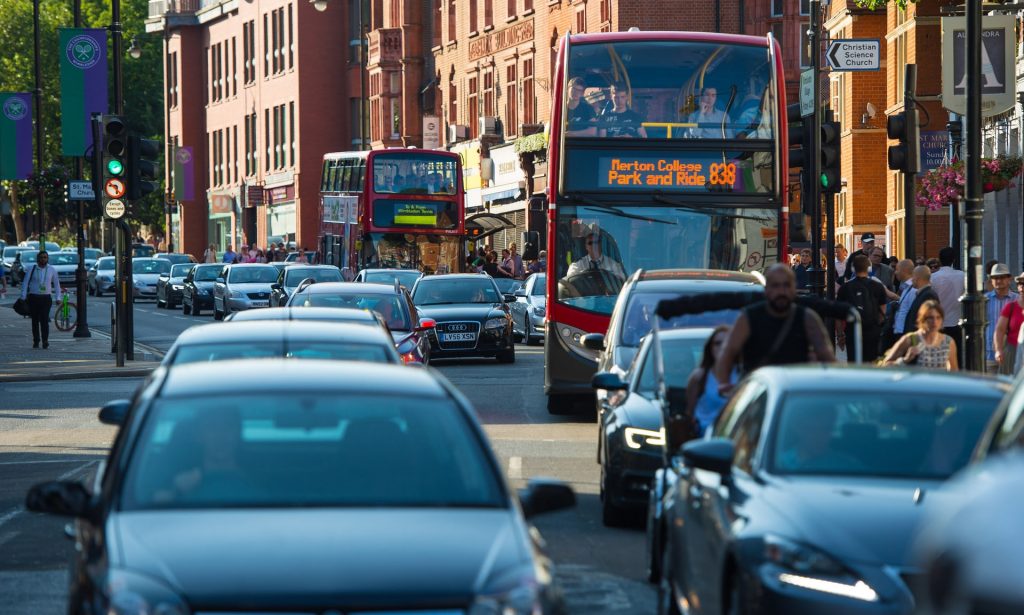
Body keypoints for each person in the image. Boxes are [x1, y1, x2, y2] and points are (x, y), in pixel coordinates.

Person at [714, 263, 835, 391]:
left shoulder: (807, 318)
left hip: (794, 392)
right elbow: (728, 352)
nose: (781, 292)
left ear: (794, 288)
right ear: (767, 289)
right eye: (775, 286)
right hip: (758, 392)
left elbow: (826, 356)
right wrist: (723, 383)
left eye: (786, 285)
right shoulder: (748, 318)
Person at [684, 326, 735, 438]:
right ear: (710, 348)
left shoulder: (742, 375)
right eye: (717, 343)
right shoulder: (699, 377)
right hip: (705, 439)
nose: (722, 347)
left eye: (726, 343)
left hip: (733, 438)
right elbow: (690, 413)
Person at [837, 254, 887, 362]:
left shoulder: (845, 288)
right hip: (872, 331)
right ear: (869, 268)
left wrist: (840, 334)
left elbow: (839, 315)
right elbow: (883, 311)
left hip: (852, 330)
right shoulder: (877, 286)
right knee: (872, 362)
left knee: (853, 360)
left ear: (852, 268)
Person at [882, 300, 958, 370]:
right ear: (922, 319)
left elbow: (954, 371)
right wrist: (905, 360)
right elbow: (886, 365)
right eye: (930, 318)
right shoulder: (911, 339)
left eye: (938, 317)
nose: (935, 321)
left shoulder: (948, 342)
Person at [20, 251, 63, 349]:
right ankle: (36, 340)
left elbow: (56, 284)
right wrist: (23, 296)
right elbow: (25, 283)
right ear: (37, 259)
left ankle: (45, 340)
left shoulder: (52, 269)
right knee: (35, 320)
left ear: (47, 259)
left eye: (45, 257)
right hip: (34, 297)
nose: (43, 259)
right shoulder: (32, 269)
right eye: (41, 257)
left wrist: (58, 298)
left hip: (46, 298)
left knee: (44, 320)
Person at [930, 247, 965, 364]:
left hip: (937, 323)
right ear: (954, 259)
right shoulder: (962, 276)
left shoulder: (932, 277)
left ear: (939, 260)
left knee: (938, 358)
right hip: (956, 322)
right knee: (956, 357)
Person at [986, 264, 1018, 374]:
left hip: (1012, 352)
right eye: (995, 278)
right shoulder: (984, 300)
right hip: (988, 353)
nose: (999, 280)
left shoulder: (1017, 300)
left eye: (1002, 277)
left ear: (1009, 279)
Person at [882, 259, 917, 352]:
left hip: (906, 333)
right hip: (900, 331)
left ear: (904, 270)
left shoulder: (913, 289)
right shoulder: (906, 287)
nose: (895, 272)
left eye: (897, 269)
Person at [993, 272, 1024, 375]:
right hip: (1013, 351)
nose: (1022, 287)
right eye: (1020, 284)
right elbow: (999, 330)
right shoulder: (1011, 307)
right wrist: (999, 350)